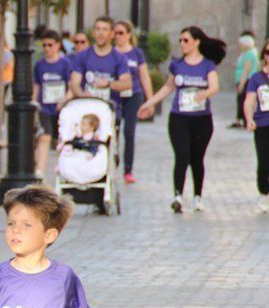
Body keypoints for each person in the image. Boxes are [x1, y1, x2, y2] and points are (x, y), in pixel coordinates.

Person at [138, 26, 225, 214]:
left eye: (185, 40)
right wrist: (149, 103)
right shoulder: (177, 65)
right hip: (179, 118)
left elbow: (215, 86)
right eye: (180, 40)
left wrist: (203, 94)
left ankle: (197, 197)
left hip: (201, 119)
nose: (182, 44)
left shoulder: (207, 65)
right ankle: (177, 196)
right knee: (182, 155)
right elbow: (167, 87)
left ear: (196, 42)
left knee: (197, 158)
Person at [113, 20, 153, 184]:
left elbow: (144, 76)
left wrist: (150, 100)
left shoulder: (137, 53)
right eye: (115, 33)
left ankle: (128, 169)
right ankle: (110, 167)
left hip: (133, 96)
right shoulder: (112, 53)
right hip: (115, 96)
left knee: (129, 132)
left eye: (121, 32)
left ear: (129, 34)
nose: (118, 36)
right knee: (112, 133)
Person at [70, 16, 132, 118]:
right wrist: (81, 94)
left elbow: (127, 83)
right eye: (98, 29)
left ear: (112, 34)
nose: (101, 33)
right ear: (93, 33)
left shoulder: (119, 58)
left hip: (109, 110)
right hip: (86, 110)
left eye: (105, 29)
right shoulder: (82, 56)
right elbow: (74, 82)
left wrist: (108, 84)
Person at [34, 30, 73, 176]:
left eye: (50, 45)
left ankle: (63, 170)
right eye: (44, 45)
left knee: (62, 140)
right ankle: (40, 170)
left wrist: (65, 100)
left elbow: (71, 85)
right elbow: (37, 86)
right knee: (44, 137)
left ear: (57, 45)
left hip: (61, 107)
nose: (47, 48)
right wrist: (34, 103)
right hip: (44, 106)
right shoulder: (39, 65)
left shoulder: (65, 64)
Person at [243, 39, 269, 213]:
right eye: (268, 52)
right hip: (263, 124)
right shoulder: (256, 78)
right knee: (264, 161)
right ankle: (264, 191)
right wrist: (248, 118)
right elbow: (249, 100)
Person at [233, 32, 259, 128]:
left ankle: (244, 120)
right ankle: (241, 119)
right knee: (242, 100)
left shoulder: (249, 54)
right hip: (245, 79)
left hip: (246, 80)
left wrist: (241, 83)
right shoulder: (248, 53)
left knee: (243, 100)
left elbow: (246, 70)